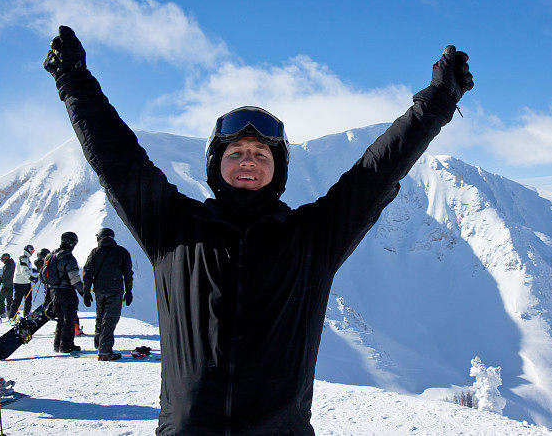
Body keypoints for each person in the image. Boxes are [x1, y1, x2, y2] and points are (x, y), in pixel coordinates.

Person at [45, 25, 473, 434]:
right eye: (235, 151)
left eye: (260, 154)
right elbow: (118, 160)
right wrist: (74, 81)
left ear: (277, 169)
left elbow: (374, 176)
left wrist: (436, 103)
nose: (248, 160)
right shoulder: (173, 230)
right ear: (216, 164)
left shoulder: (313, 237)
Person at [82, 227, 133, 361]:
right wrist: (129, 291)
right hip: (115, 290)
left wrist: (86, 292)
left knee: (101, 317)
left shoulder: (94, 252)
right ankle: (104, 351)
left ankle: (99, 343)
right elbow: (128, 274)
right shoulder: (122, 252)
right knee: (110, 319)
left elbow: (87, 273)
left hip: (99, 290)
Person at [48, 231, 84, 353]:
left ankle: (57, 345)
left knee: (60, 318)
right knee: (69, 318)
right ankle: (66, 345)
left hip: (53, 292)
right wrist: (83, 292)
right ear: (71, 243)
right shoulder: (68, 257)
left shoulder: (51, 256)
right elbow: (74, 279)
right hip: (67, 292)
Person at [9, 244, 36, 318]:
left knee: (28, 300)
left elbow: (27, 269)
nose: (32, 253)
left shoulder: (26, 258)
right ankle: (12, 316)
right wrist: (31, 278)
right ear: (29, 250)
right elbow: (23, 270)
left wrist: (34, 271)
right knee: (17, 300)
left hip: (26, 282)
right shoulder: (23, 258)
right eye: (32, 251)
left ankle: (26, 315)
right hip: (20, 283)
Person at [0, 253, 14, 318]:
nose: (2, 261)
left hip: (6, 285)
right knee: (9, 299)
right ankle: (10, 312)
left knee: (0, 299)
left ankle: (2, 313)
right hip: (11, 285)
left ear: (5, 258)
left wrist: (0, 278)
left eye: (3, 260)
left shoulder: (8, 265)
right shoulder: (12, 264)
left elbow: (5, 275)